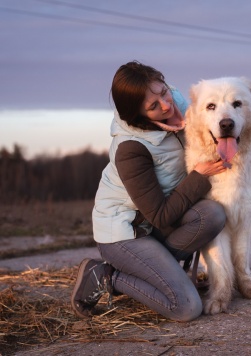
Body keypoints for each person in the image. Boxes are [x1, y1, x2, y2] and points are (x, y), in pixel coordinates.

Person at [71, 61, 227, 322]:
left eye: (163, 92)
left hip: (154, 227)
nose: (166, 105)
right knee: (186, 306)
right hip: (125, 234)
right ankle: (107, 276)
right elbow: (161, 215)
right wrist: (199, 176)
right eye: (153, 106)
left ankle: (159, 274)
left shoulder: (177, 101)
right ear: (138, 115)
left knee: (212, 214)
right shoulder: (131, 149)